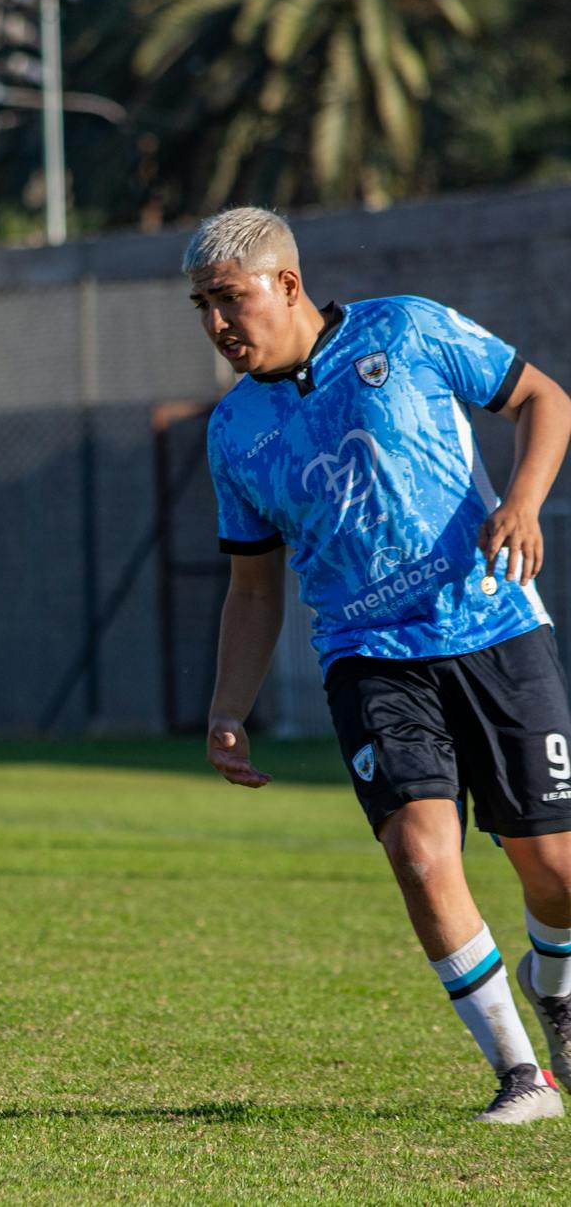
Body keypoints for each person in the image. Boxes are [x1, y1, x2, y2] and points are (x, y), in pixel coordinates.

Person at [195, 208, 571, 1124]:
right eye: (200, 305)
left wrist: (522, 504)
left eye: (229, 299)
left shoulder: (405, 329)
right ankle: (525, 1076)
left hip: (494, 627)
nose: (215, 323)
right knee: (417, 850)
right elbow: (254, 588)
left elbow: (545, 399)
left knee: (555, 869)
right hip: (369, 660)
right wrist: (226, 706)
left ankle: (553, 982)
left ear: (286, 284)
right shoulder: (233, 429)